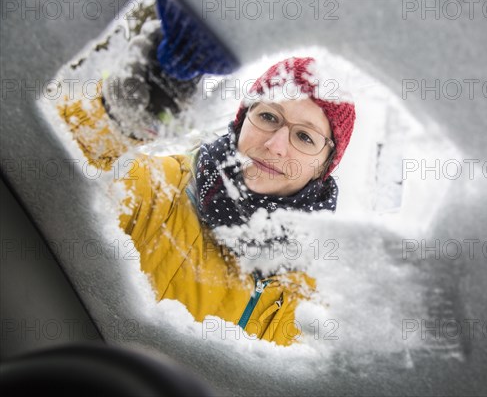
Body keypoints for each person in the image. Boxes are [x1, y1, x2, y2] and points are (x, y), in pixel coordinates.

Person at [58, 56, 356, 346]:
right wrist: (116, 114)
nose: (275, 145)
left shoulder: (328, 290)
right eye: (267, 116)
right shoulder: (158, 192)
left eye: (305, 137)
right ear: (242, 119)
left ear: (324, 165)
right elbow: (61, 164)